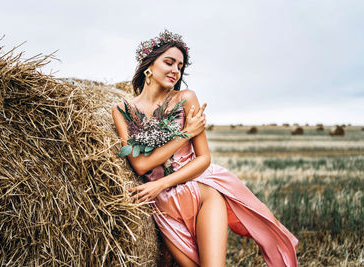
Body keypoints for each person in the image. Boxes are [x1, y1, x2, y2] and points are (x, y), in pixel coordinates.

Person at [112, 29, 298, 267]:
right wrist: (185, 134)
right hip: (165, 206)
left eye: (180, 66)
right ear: (148, 65)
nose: (175, 70)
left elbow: (204, 159)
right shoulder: (122, 109)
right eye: (168, 62)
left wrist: (160, 183)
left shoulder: (186, 98)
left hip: (202, 193)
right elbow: (140, 164)